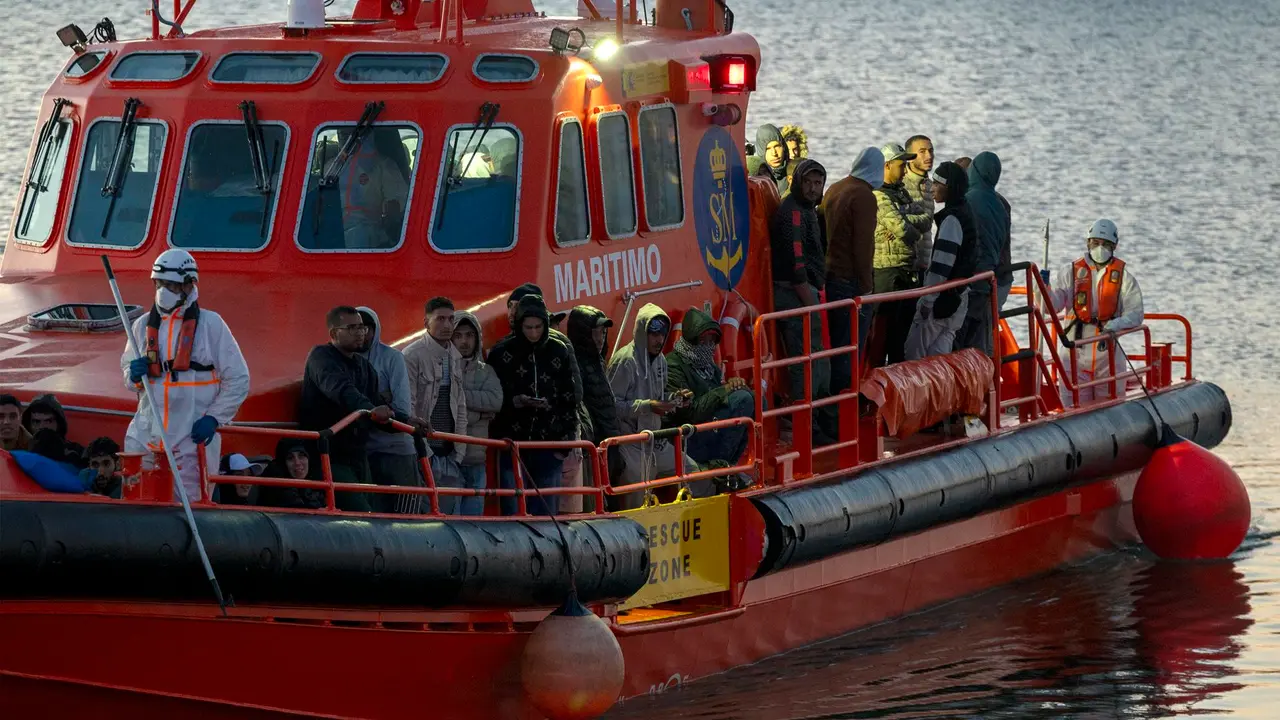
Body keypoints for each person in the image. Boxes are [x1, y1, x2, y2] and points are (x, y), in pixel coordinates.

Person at [122, 249, 250, 500]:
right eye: (159, 284)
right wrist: (134, 375)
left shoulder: (211, 325)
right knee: (137, 502)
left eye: (171, 285)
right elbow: (128, 374)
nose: (163, 291)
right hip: (146, 435)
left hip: (192, 439)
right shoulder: (142, 325)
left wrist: (214, 418)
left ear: (189, 286)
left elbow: (238, 379)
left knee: (192, 506)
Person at [300, 305, 423, 513]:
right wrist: (372, 410)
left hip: (358, 455)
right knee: (363, 513)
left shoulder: (365, 368)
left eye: (362, 328)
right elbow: (343, 391)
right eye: (352, 328)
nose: (360, 332)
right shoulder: (321, 358)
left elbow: (375, 405)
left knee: (370, 513)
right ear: (334, 333)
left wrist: (406, 422)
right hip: (328, 454)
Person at [488, 294, 581, 516]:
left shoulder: (559, 351)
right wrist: (515, 402)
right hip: (512, 445)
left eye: (538, 327)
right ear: (520, 325)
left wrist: (565, 444)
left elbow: (570, 398)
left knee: (547, 512)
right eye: (528, 327)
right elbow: (495, 399)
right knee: (513, 512)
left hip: (549, 446)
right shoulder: (502, 353)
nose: (533, 333)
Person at [607, 305, 703, 508]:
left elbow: (658, 398)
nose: (659, 340)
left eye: (662, 334)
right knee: (637, 487)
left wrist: (675, 399)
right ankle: (633, 534)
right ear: (643, 333)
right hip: (630, 442)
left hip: (655, 441)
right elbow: (612, 406)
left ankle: (687, 520)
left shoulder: (661, 361)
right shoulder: (624, 362)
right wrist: (648, 406)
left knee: (692, 471)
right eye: (653, 334)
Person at [1043, 219, 1144, 404]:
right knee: (1073, 408)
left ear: (1115, 246)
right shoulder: (1071, 272)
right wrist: (1042, 288)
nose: (1100, 248)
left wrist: (1116, 324)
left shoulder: (1124, 278)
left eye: (1105, 244)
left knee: (1110, 408)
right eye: (1096, 242)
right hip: (1074, 354)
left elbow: (1136, 313)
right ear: (1088, 242)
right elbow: (1052, 306)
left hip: (1107, 355)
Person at [771, 158, 837, 443]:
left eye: (817, 183)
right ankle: (806, 428)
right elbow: (795, 263)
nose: (812, 188)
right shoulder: (793, 212)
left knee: (817, 359)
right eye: (808, 182)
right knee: (803, 361)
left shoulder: (808, 209)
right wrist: (810, 300)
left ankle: (818, 419)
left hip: (807, 292)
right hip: (794, 294)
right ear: (798, 182)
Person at [822, 147, 884, 393]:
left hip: (830, 276)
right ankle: (844, 405)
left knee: (836, 346)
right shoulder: (864, 197)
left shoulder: (835, 189)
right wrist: (867, 286)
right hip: (850, 281)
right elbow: (863, 245)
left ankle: (831, 405)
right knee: (850, 347)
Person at [905, 161, 979, 359]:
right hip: (958, 297)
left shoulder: (952, 219)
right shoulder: (966, 212)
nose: (932, 188)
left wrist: (928, 300)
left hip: (942, 300)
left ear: (949, 188)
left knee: (915, 354)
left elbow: (942, 264)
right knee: (940, 358)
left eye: (937, 184)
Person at [665, 308, 755, 469]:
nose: (710, 347)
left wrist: (733, 386)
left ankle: (729, 464)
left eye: (713, 341)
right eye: (704, 342)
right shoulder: (673, 366)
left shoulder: (708, 366)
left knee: (752, 397)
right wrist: (724, 390)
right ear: (692, 341)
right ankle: (718, 466)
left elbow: (715, 394)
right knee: (743, 400)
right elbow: (690, 412)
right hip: (687, 438)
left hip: (707, 430)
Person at [403, 297, 468, 515]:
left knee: (450, 515)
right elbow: (408, 405)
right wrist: (422, 451)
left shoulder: (455, 356)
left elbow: (460, 406)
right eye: (440, 319)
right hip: (424, 451)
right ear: (426, 322)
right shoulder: (412, 356)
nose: (447, 325)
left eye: (451, 319)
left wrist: (459, 452)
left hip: (450, 452)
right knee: (422, 515)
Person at [873, 143, 933, 366]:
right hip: (887, 272)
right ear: (887, 166)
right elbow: (903, 230)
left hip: (908, 269)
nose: (905, 170)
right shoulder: (878, 195)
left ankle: (898, 374)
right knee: (883, 332)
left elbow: (926, 221)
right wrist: (905, 220)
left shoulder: (901, 193)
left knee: (902, 332)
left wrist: (905, 218)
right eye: (901, 165)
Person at [356, 306, 420, 514]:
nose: (362, 333)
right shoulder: (346, 361)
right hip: (365, 452)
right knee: (374, 516)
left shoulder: (392, 358)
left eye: (367, 328)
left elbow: (402, 406)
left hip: (397, 451)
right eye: (356, 328)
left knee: (406, 517)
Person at [956, 151, 1010, 356]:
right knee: (983, 339)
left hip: (971, 281)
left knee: (961, 342)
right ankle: (989, 384)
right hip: (991, 279)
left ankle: (968, 386)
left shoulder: (969, 201)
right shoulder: (999, 203)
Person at [566, 305, 624, 495]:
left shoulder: (597, 360)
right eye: (594, 332)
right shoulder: (576, 365)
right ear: (582, 334)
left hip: (607, 447)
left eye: (603, 332)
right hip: (596, 450)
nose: (600, 338)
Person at [452, 311, 502, 516]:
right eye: (459, 335)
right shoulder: (442, 369)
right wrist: (479, 415)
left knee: (474, 522)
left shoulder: (486, 372)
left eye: (469, 335)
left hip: (475, 458)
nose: (464, 341)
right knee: (449, 520)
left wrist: (460, 394)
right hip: (448, 459)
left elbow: (495, 401)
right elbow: (442, 406)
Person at [339, 130, 410, 249]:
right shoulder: (331, 167)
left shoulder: (384, 165)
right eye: (343, 134)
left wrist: (391, 234)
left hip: (369, 235)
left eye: (350, 133)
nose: (346, 138)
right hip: (331, 234)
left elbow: (394, 208)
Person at [260, 437, 326, 510]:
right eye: (290, 458)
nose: (297, 463)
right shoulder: (276, 480)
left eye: (301, 456)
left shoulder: (317, 478)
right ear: (284, 464)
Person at [903, 135, 936, 275]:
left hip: (925, 264)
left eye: (931, 150)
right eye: (922, 151)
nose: (929, 156)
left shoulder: (929, 185)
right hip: (907, 266)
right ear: (909, 156)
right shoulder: (902, 184)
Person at [21, 394, 84, 464]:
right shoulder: (19, 450)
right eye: (36, 421)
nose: (42, 426)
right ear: (28, 424)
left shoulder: (78, 453)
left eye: (48, 421)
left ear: (59, 423)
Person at [746, 124, 791, 194]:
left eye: (777, 146)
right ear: (761, 151)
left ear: (783, 147)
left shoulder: (795, 171)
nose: (774, 153)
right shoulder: (755, 177)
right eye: (768, 149)